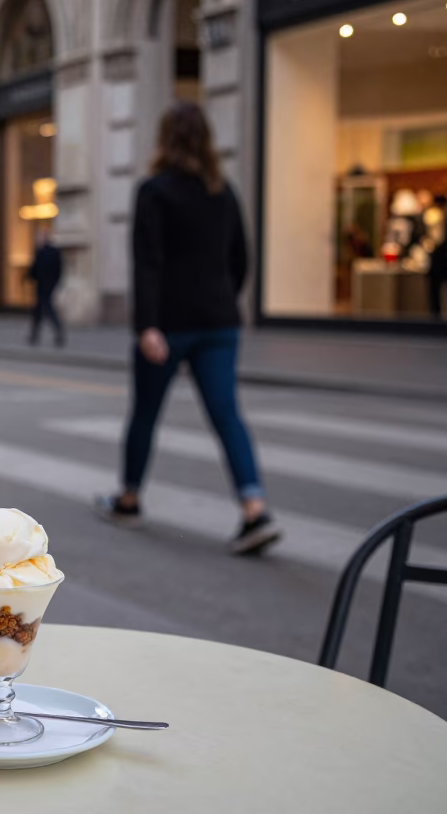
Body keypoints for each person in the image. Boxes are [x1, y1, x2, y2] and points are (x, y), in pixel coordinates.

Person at [95, 102, 282, 557]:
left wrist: (147, 325)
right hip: (219, 322)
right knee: (227, 415)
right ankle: (254, 509)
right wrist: (221, 299)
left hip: (169, 324)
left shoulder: (153, 191)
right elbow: (242, 259)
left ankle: (130, 499)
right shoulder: (224, 191)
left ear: (165, 139)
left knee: (146, 413)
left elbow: (148, 262)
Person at [27, 235, 65, 346]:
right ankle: (34, 335)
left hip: (41, 286)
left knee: (47, 310)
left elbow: (34, 269)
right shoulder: (55, 252)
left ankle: (56, 331)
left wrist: (29, 278)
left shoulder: (40, 252)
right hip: (50, 285)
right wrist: (56, 282)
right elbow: (59, 269)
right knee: (38, 311)